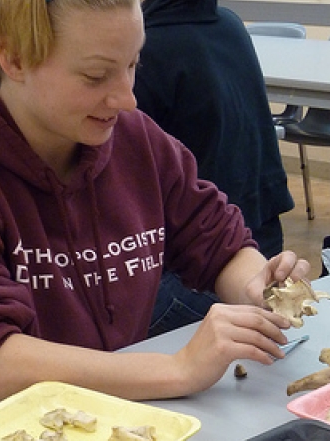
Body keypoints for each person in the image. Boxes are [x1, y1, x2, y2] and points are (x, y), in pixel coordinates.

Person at [0, 0, 309, 425]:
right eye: (96, 75)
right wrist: (178, 369)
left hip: (96, 425)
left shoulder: (134, 140)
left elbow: (215, 240)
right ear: (14, 58)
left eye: (133, 65)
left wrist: (259, 285)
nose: (126, 98)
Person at [134, 0, 295, 335]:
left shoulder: (153, 45)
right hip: (262, 233)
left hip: (217, 256)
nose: (121, 98)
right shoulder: (229, 25)